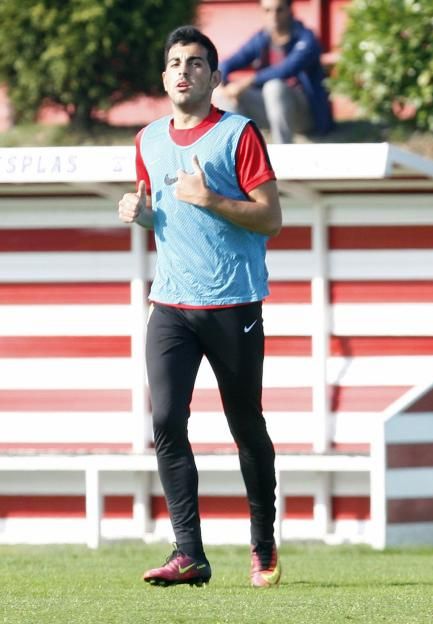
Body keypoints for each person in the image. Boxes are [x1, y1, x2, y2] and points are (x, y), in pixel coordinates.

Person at [117, 26, 283, 588]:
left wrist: (212, 198)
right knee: (165, 420)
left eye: (195, 63)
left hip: (233, 302)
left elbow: (271, 218)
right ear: (164, 78)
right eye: (174, 63)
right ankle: (189, 553)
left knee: (245, 426)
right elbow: (156, 212)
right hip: (170, 306)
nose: (183, 71)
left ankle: (263, 544)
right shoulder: (146, 140)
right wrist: (137, 213)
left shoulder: (238, 134)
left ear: (214, 76)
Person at [214, 0, 334, 143]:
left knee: (274, 88)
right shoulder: (261, 38)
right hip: (270, 110)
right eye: (267, 10)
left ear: (290, 10)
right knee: (222, 94)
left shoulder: (306, 39)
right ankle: (242, 152)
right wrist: (221, 83)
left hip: (306, 114)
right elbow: (227, 63)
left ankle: (282, 152)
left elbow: (287, 69)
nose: (273, 16)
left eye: (279, 10)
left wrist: (248, 81)